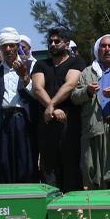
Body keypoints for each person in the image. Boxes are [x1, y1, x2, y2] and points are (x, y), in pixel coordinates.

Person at [71, 33, 110, 189]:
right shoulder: (87, 72)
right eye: (103, 46)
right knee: (91, 170)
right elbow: (74, 97)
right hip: (93, 127)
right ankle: (93, 208)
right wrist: (87, 91)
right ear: (97, 50)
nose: (107, 49)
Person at [31, 27, 84, 191]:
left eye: (57, 41)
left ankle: (71, 208)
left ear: (67, 44)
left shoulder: (76, 62)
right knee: (48, 167)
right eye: (50, 41)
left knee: (71, 167)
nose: (52, 44)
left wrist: (51, 106)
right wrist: (52, 109)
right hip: (47, 122)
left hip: (70, 121)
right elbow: (38, 88)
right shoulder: (41, 64)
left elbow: (70, 85)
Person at [0, 28, 36, 184]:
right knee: (2, 162)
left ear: (17, 46)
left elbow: (36, 94)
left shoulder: (31, 64)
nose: (7, 49)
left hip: (23, 120)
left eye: (11, 45)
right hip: (1, 120)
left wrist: (24, 76)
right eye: (3, 46)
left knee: (24, 160)